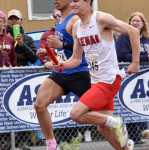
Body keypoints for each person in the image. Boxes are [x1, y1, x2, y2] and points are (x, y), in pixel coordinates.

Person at [51, 0, 140, 150]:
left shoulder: (101, 19)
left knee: (75, 114)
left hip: (109, 79)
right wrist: (62, 65)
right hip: (96, 80)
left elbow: (134, 31)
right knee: (102, 128)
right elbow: (76, 59)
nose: (72, 4)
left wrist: (135, 62)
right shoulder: (76, 27)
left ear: (87, 2)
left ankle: (116, 122)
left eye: (76, 1)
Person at [34, 1, 91, 150]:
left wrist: (62, 45)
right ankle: (51, 145)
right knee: (39, 105)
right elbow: (63, 50)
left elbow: (86, 46)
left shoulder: (75, 20)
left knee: (100, 115)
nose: (55, 1)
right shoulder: (60, 21)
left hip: (79, 72)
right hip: (61, 72)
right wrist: (49, 52)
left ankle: (120, 135)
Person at [115, 11, 149, 144]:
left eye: (138, 21)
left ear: (143, 24)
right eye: (133, 21)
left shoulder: (147, 38)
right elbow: (123, 56)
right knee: (129, 104)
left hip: (145, 77)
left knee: (142, 104)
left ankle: (141, 133)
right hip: (128, 76)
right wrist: (145, 58)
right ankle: (132, 136)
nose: (135, 23)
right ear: (129, 23)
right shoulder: (124, 37)